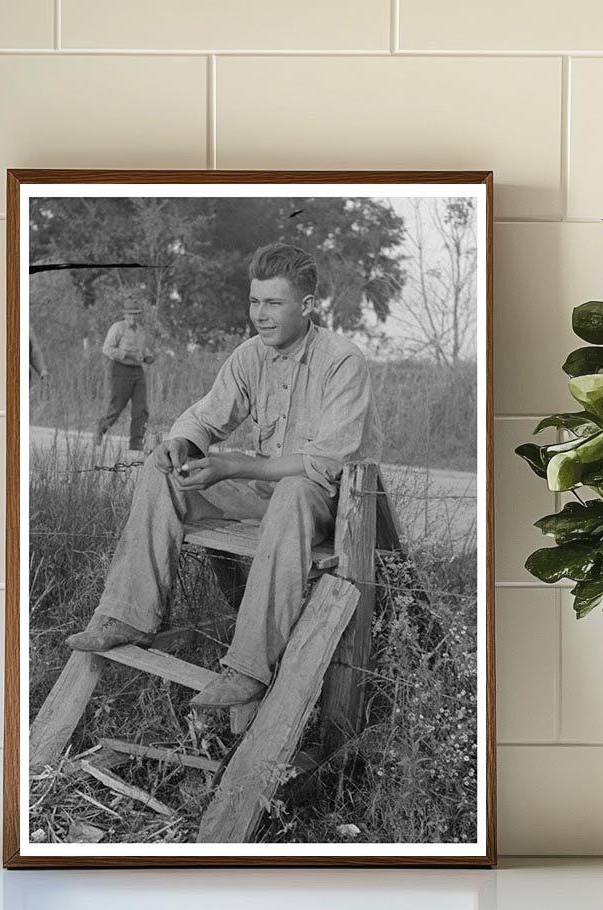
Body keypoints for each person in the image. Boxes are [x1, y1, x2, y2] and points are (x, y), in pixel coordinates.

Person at [68, 243, 382, 708]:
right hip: (266, 496)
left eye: (274, 303)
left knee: (294, 490)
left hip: (334, 506)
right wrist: (182, 444)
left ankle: (248, 668)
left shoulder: (342, 360)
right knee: (163, 471)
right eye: (255, 301)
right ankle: (127, 616)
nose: (260, 314)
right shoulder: (250, 355)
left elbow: (324, 464)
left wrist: (232, 465)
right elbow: (206, 416)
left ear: (307, 306)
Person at [94, 298, 154, 452]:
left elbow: (144, 349)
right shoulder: (117, 328)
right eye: (129, 314)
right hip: (121, 370)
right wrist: (127, 354)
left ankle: (136, 442)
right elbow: (107, 349)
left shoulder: (141, 331)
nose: (132, 318)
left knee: (141, 409)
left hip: (138, 371)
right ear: (125, 314)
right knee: (117, 406)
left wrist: (148, 356)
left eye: (135, 314)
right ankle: (100, 430)